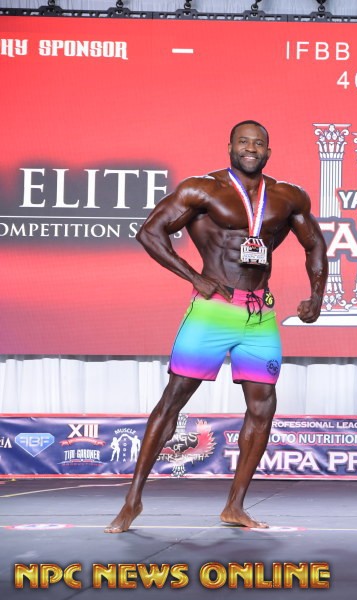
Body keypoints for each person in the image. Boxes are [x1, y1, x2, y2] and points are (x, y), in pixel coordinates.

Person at [105, 120, 327, 533]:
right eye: (243, 141)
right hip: (212, 310)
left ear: (268, 152)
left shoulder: (287, 196)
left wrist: (317, 295)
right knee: (173, 400)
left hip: (259, 313)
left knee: (263, 407)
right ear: (229, 147)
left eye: (258, 143)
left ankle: (235, 506)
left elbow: (314, 243)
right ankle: (132, 501)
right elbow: (150, 232)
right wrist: (193, 276)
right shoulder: (202, 189)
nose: (250, 148)